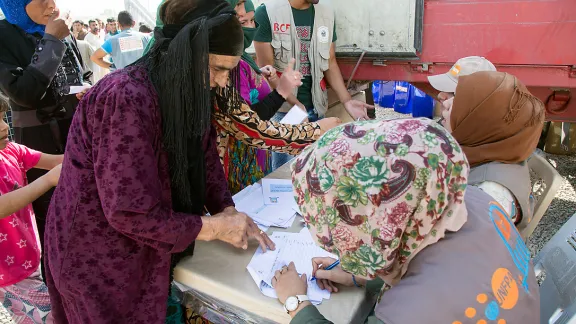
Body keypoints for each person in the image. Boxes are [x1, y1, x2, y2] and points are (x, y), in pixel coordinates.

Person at [44, 1, 275, 323]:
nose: (223, 81)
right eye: (217, 68)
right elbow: (128, 210)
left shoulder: (188, 91)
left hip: (150, 254)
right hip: (98, 259)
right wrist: (212, 227)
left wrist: (227, 209)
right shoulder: (125, 96)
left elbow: (205, 157)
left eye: (229, 71)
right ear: (184, 55)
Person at [272, 118, 540, 323]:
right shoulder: (473, 199)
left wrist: (296, 302)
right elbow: (431, 264)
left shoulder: (410, 311)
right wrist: (362, 277)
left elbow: (428, 295)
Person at [0, 0, 86, 279]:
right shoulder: (4, 35)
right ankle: (56, 282)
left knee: (83, 199)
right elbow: (23, 93)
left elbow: (77, 73)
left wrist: (86, 91)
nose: (51, 5)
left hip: (74, 128)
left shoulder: (60, 30)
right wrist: (51, 41)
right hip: (37, 138)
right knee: (50, 210)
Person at [254, 0, 374, 170]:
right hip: (285, 114)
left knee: (316, 174)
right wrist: (297, 106)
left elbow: (330, 61)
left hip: (317, 111)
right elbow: (268, 74)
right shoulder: (267, 13)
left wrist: (347, 100)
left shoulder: (326, 14)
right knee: (284, 178)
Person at [430, 67, 544, 226]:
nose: (447, 103)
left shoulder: (488, 195)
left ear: (484, 122)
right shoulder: (493, 150)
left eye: (462, 102)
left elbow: (460, 245)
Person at [0, 95, 63, 324]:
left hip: (28, 257)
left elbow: (58, 162)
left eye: (2, 118)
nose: (5, 125)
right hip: (8, 269)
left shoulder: (12, 151)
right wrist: (47, 181)